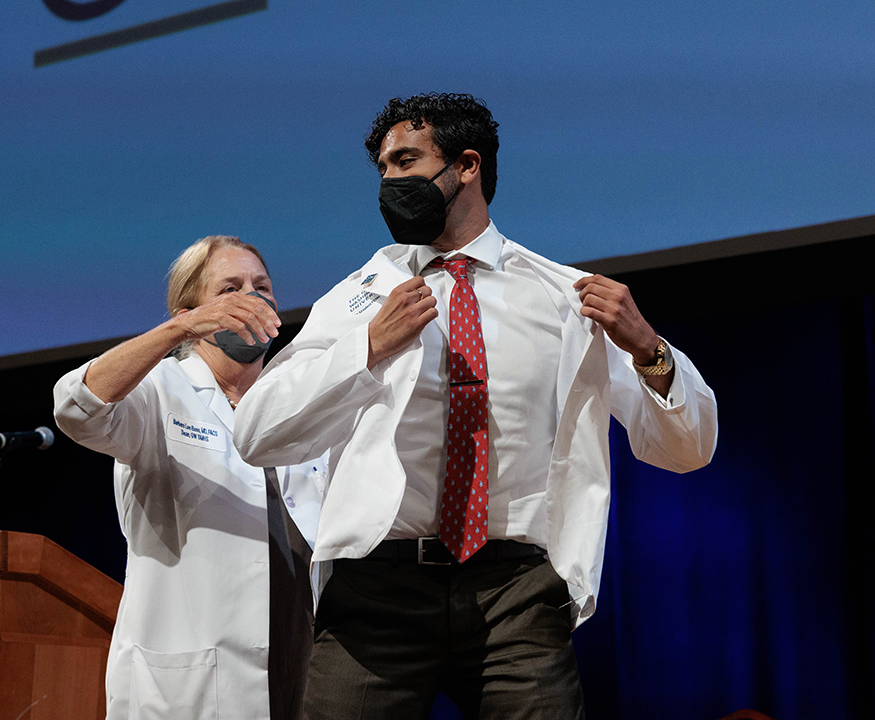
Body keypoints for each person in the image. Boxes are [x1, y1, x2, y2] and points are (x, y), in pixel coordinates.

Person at [232, 94, 718, 719]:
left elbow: (688, 448)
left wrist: (650, 348)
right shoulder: (363, 296)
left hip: (516, 593)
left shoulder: (563, 297)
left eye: (406, 162)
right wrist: (367, 347)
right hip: (378, 590)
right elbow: (257, 433)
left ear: (467, 165)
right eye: (382, 169)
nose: (389, 183)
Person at [54, 235, 325, 720]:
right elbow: (77, 408)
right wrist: (176, 331)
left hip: (304, 660)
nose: (251, 298)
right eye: (230, 289)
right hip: (198, 682)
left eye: (262, 286)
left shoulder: (296, 397)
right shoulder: (159, 391)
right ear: (191, 313)